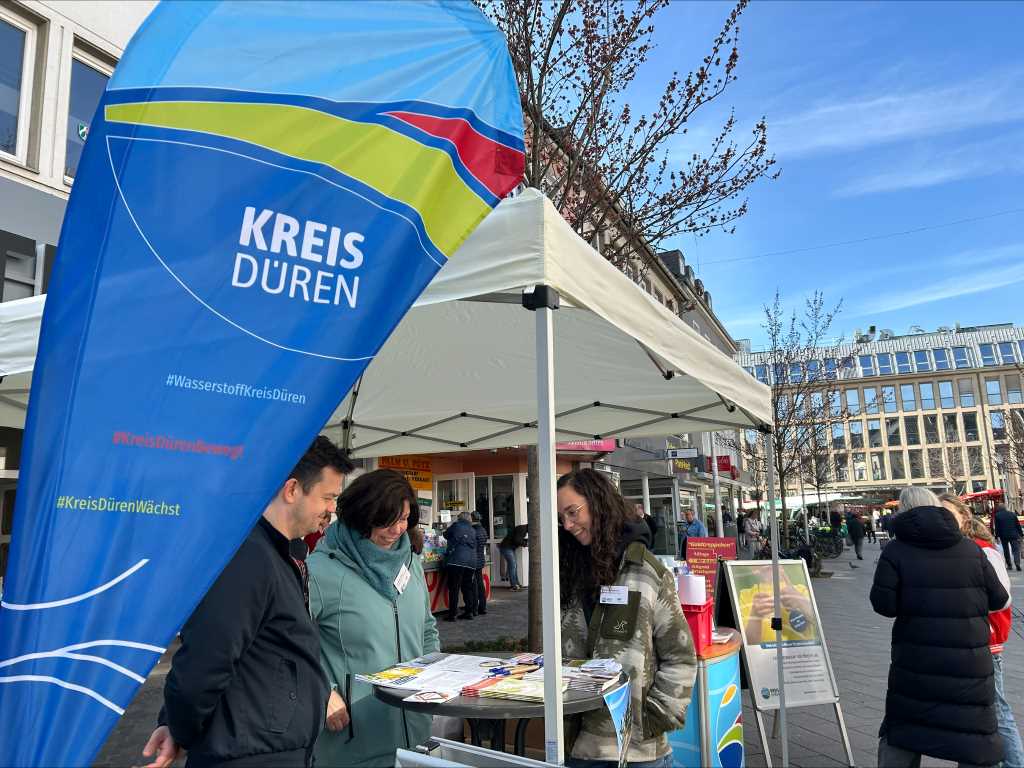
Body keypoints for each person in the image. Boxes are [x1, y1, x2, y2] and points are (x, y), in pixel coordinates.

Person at [142, 436, 352, 768]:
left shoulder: (276, 552)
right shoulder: (247, 558)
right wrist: (180, 728)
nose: (332, 509)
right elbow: (204, 661)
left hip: (268, 748)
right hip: (249, 754)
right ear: (292, 489)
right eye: (327, 497)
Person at [557, 469, 696, 767]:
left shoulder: (647, 571)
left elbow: (680, 656)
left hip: (637, 752)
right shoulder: (567, 572)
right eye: (561, 518)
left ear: (598, 504)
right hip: (579, 748)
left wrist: (656, 718)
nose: (567, 525)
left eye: (572, 512)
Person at [307, 469, 439, 767]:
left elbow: (427, 628)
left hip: (414, 733)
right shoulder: (319, 571)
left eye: (404, 519)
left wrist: (436, 677)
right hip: (354, 738)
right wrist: (322, 690)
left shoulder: (410, 563)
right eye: (386, 520)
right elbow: (285, 640)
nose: (396, 530)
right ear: (361, 515)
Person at [870, 486, 1009, 768]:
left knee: (904, 730)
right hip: (969, 663)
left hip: (917, 663)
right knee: (973, 734)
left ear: (903, 511)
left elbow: (884, 606)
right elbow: (999, 598)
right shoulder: (969, 548)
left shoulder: (895, 550)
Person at [941, 494, 1024, 768]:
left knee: (997, 711)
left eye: (948, 512)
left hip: (986, 642)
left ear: (964, 516)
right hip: (965, 642)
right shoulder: (956, 550)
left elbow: (1003, 598)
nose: (944, 519)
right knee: (977, 714)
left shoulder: (983, 549)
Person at [443, 510, 478, 621]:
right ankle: (469, 612)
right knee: (467, 587)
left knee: (454, 588)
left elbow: (445, 534)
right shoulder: (473, 530)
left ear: (460, 518)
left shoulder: (456, 525)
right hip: (471, 561)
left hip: (457, 560)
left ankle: (453, 614)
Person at [498, 523, 528, 591]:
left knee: (513, 566)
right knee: (513, 566)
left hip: (508, 547)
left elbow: (517, 538)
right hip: (506, 547)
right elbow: (517, 540)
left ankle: (516, 584)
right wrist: (525, 543)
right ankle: (514, 586)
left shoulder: (522, 528)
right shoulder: (522, 529)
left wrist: (525, 541)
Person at [994, 503, 1023, 572]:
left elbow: (997, 527)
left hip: (1003, 536)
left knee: (1006, 550)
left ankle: (1009, 565)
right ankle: (1017, 563)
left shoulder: (997, 515)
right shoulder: (1012, 514)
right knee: (1016, 550)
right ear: (1005, 508)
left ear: (999, 509)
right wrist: (1021, 534)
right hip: (1014, 535)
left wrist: (996, 536)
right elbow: (1018, 525)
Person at [471, 512, 489, 616]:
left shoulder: (474, 531)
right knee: (480, 584)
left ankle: (475, 608)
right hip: (481, 559)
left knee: (474, 585)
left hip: (474, 560)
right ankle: (483, 607)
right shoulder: (483, 530)